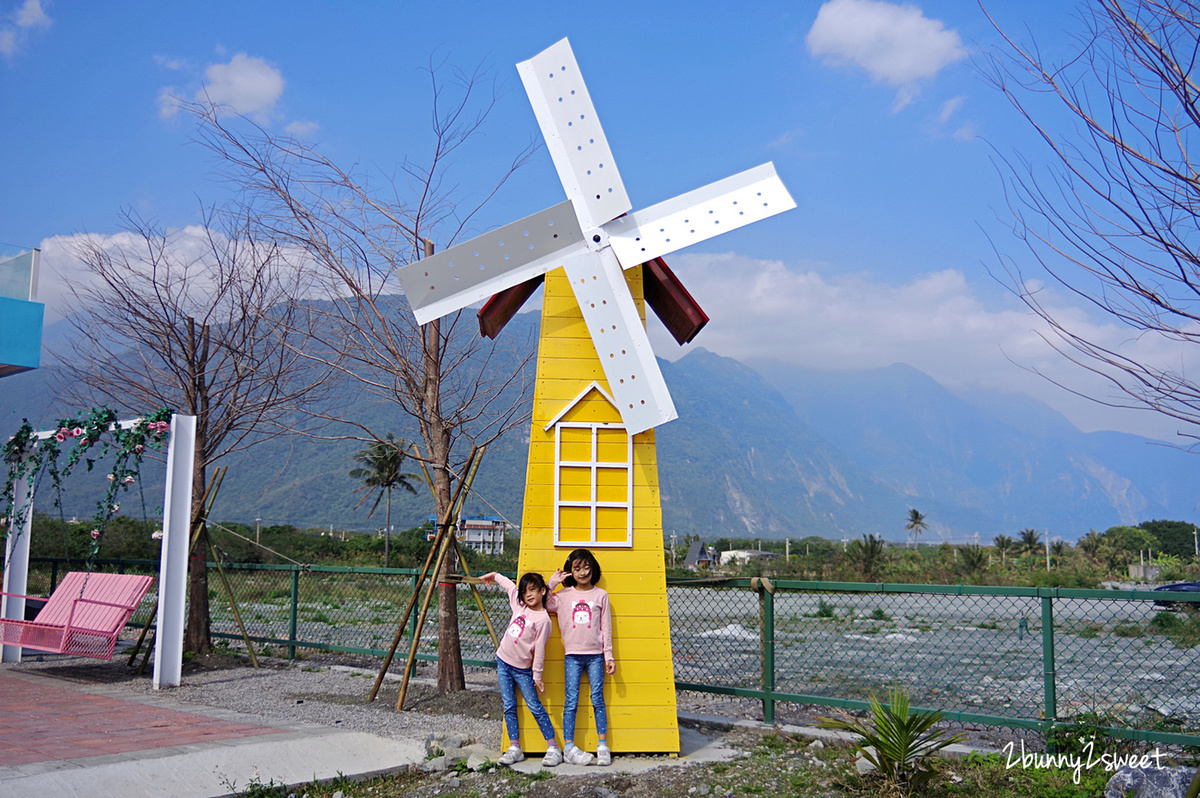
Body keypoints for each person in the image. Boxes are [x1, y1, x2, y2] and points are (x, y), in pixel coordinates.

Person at [480, 571, 563, 768]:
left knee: (535, 707)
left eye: (533, 590)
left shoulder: (543, 620)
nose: (528, 595)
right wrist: (495, 575)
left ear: (543, 591)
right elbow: (509, 586)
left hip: (522, 670)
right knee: (509, 706)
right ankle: (514, 747)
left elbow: (540, 650)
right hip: (503, 662)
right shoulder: (519, 606)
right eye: (525, 591)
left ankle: (553, 747)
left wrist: (538, 675)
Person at [548, 548, 614, 766]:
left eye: (586, 567)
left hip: (596, 656)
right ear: (570, 571)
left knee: (597, 699)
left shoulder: (601, 595)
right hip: (572, 657)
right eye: (577, 568)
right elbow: (544, 603)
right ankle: (568, 745)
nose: (583, 571)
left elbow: (606, 627)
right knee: (571, 701)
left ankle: (602, 745)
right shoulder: (563, 595)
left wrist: (609, 656)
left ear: (593, 569)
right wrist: (552, 583)